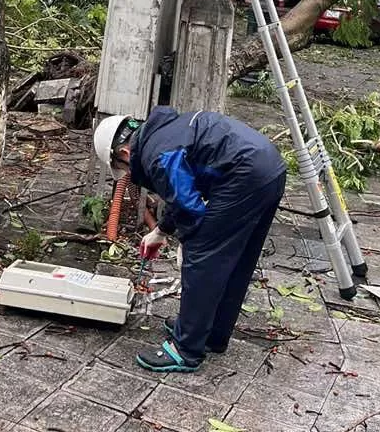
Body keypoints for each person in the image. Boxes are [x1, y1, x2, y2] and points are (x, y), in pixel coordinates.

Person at [93, 107, 286, 374]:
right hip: (269, 168)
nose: (126, 172)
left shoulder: (156, 155)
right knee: (236, 260)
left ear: (124, 153)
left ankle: (186, 349)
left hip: (244, 175)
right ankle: (212, 334)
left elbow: (189, 207)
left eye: (120, 167)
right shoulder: (161, 134)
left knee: (203, 260)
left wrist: (188, 244)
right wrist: (160, 231)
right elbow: (183, 191)